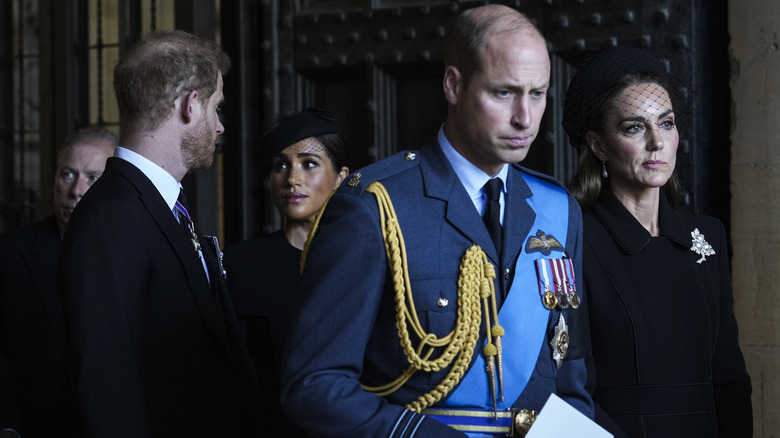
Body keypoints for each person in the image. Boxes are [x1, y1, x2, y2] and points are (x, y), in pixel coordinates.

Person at [280, 5, 593, 438]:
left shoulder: (556, 209)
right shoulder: (375, 207)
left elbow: (571, 382)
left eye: (537, 93)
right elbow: (314, 386)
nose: (525, 117)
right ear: (453, 85)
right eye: (504, 93)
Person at [57, 30, 260, 437]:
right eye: (216, 108)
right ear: (190, 105)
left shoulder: (161, 205)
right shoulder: (111, 218)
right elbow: (106, 389)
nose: (220, 127)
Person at [564, 46, 753, 437]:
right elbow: (569, 385)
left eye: (666, 124)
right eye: (634, 127)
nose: (656, 142)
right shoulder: (573, 238)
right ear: (598, 144)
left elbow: (729, 376)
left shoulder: (707, 235)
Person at [223, 107, 349, 437]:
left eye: (309, 164)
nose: (292, 179)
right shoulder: (240, 264)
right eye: (281, 165)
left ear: (341, 178)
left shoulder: (362, 264)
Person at [0, 126, 116, 438]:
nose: (76, 190)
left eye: (93, 178)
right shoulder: (9, 256)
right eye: (68, 174)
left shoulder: (137, 255)